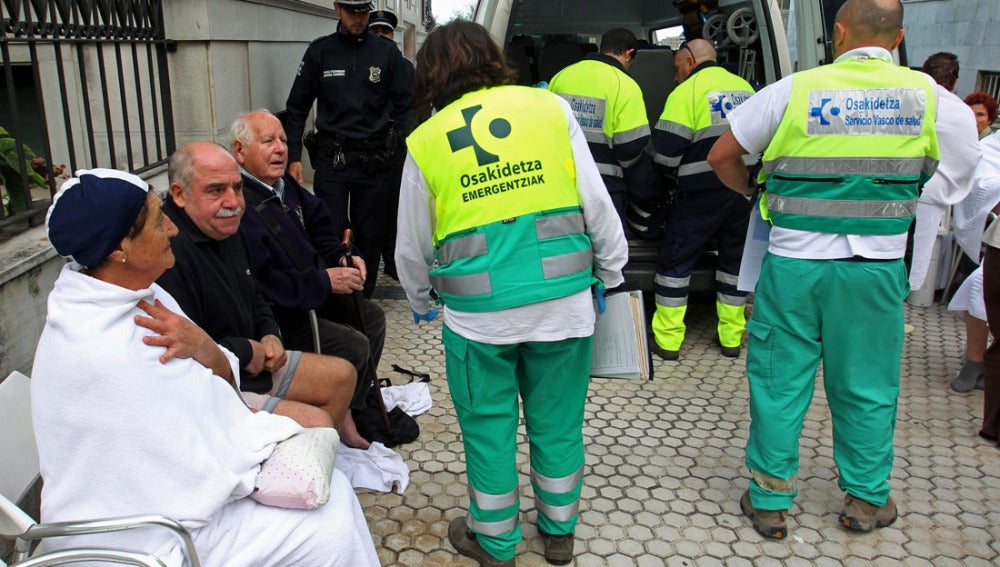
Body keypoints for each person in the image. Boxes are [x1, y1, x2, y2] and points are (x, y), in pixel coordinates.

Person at [32, 168, 379, 566]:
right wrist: (251, 441)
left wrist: (207, 348)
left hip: (179, 481)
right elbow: (181, 466)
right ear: (118, 249)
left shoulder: (139, 292)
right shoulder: (102, 347)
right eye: (158, 219)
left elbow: (214, 374)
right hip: (142, 534)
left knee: (326, 472)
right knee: (329, 523)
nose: (172, 229)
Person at [708, 0, 947, 540]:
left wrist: (753, 188)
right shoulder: (931, 96)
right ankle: (865, 501)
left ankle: (770, 501)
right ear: (899, 36)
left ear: (838, 32)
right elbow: (959, 173)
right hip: (875, 271)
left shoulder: (794, 91)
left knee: (778, 381)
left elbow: (723, 154)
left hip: (795, 266)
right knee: (866, 385)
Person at [396, 20, 628, 567]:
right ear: (492, 58)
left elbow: (412, 244)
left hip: (480, 323)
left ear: (432, 74)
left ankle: (496, 541)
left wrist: (422, 301)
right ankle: (559, 531)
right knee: (558, 422)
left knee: (488, 430)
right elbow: (596, 203)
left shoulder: (427, 140)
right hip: (564, 309)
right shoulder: (549, 109)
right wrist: (613, 274)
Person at [155, 141, 370, 447]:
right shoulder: (169, 255)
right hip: (218, 385)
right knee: (317, 424)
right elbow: (184, 353)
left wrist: (270, 334)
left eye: (238, 188)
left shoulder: (230, 226)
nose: (233, 202)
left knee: (343, 375)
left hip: (256, 360)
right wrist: (247, 351)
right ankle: (277, 477)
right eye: (216, 190)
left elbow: (254, 290)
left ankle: (312, 464)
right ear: (179, 194)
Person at [233, 110, 388, 449]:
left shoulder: (284, 185)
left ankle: (351, 405)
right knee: (354, 344)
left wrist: (343, 256)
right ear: (240, 150)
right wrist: (324, 282)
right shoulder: (240, 200)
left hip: (312, 288)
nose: (280, 149)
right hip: (284, 310)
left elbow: (322, 228)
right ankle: (335, 421)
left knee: (373, 318)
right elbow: (267, 282)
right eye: (268, 141)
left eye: (284, 141)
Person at [285, 0, 414, 298]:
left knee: (370, 235)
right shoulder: (320, 52)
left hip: (376, 160)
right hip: (334, 158)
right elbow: (296, 108)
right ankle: (335, 294)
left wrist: (402, 147)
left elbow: (407, 105)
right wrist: (293, 157)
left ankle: (362, 299)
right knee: (330, 229)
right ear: (337, 9)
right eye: (352, 11)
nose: (359, 18)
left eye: (363, 11)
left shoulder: (386, 53)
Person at [649, 38, 756, 361]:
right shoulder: (746, 90)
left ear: (690, 61)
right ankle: (731, 338)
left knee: (676, 263)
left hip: (699, 195)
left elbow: (665, 154)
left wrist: (664, 182)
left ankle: (668, 342)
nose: (675, 75)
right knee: (734, 264)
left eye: (677, 67)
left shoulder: (687, 93)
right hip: (742, 192)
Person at [548, 28, 656, 234]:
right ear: (629, 53)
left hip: (562, 181)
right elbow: (630, 148)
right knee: (611, 251)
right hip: (605, 185)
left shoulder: (561, 76)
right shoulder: (625, 85)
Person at [368, 8, 414, 281]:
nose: (381, 36)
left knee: (398, 210)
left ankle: (394, 262)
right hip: (370, 152)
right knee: (374, 212)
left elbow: (412, 107)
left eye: (385, 31)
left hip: (397, 149)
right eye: (375, 31)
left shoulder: (405, 67)